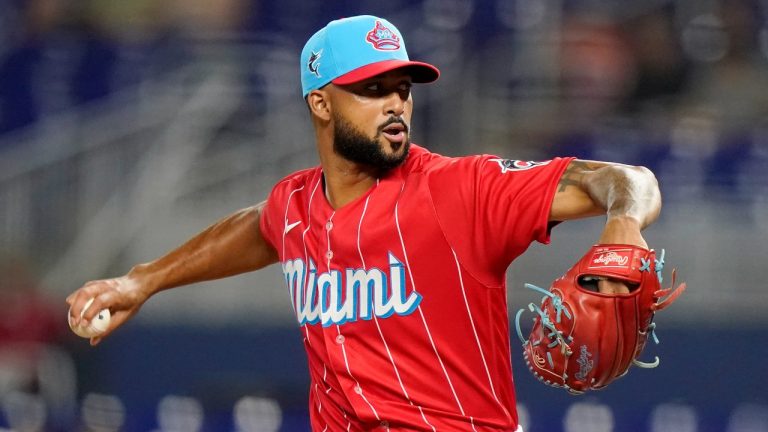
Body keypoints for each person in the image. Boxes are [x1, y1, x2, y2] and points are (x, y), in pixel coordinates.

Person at [66, 15, 661, 431]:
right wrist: (142, 280)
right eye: (371, 90)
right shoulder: (294, 204)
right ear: (320, 103)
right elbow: (255, 229)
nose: (396, 104)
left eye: (402, 88)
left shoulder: (461, 189)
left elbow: (625, 178)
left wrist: (624, 223)